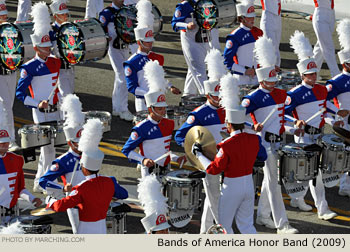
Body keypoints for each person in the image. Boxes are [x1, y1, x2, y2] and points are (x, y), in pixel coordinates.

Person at [192, 73, 267, 234]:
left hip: (232, 186)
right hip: (249, 185)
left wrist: (199, 155)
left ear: (228, 124)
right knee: (247, 226)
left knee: (224, 227)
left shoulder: (226, 145)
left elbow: (213, 169)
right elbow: (263, 157)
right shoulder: (254, 139)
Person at [241, 36, 300, 234]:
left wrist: (294, 125)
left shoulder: (281, 94)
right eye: (269, 81)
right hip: (262, 145)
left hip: (277, 142)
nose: (273, 84)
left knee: (270, 181)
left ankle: (263, 215)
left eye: (274, 80)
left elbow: (283, 118)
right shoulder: (252, 98)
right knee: (274, 184)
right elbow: (240, 118)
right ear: (261, 80)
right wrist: (253, 124)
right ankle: (282, 224)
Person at [285, 30, 343, 220]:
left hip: (318, 134)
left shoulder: (320, 89)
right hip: (302, 136)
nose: (313, 76)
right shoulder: (294, 94)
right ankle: (318, 207)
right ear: (302, 75)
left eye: (314, 73)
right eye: (309, 74)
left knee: (313, 171)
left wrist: (335, 118)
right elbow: (283, 115)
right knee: (308, 172)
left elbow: (325, 110)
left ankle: (306, 202)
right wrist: (295, 123)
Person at [174, 49, 226, 234]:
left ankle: (205, 232)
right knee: (214, 198)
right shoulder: (199, 114)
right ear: (209, 95)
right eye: (217, 96)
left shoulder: (227, 109)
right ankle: (221, 230)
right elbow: (180, 136)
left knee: (216, 198)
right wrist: (196, 151)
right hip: (208, 161)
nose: (220, 99)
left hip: (226, 158)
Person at [46, 118, 129, 234]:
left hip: (84, 224)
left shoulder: (80, 189)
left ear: (83, 168)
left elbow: (62, 205)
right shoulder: (109, 181)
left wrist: (50, 202)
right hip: (101, 226)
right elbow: (124, 194)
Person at [16, 2, 62, 192]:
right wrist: (37, 104)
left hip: (56, 110)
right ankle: (46, 182)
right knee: (47, 148)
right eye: (44, 48)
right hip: (41, 112)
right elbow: (20, 94)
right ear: (36, 48)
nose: (48, 50)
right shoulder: (29, 68)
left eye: (48, 47)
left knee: (51, 147)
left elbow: (55, 36)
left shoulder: (56, 62)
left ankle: (39, 180)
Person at [122, 60, 186, 178]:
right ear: (151, 109)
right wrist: (143, 160)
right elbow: (126, 150)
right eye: (160, 108)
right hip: (149, 171)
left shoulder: (169, 124)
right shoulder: (141, 128)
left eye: (164, 108)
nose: (163, 111)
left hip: (166, 169)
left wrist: (176, 158)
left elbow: (164, 152)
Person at [39, 94, 85, 234]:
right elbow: (44, 181)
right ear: (70, 142)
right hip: (75, 204)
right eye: (78, 142)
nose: (82, 144)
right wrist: (63, 188)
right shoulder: (62, 161)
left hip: (93, 201)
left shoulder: (90, 155)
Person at [124, 0, 180, 112]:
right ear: (139, 42)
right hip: (143, 102)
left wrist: (170, 86)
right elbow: (132, 88)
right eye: (147, 42)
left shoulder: (156, 57)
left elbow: (159, 77)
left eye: (151, 41)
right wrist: (149, 93)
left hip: (158, 100)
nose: (150, 44)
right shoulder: (131, 62)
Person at [0, 98, 42, 225]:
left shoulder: (17, 160)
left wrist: (32, 198)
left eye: (6, 142)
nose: (4, 145)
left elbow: (20, 189)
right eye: (1, 143)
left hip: (12, 213)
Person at [171, 0, 220, 95]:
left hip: (205, 39)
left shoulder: (208, 3)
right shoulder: (184, 5)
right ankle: (207, 96)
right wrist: (186, 25)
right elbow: (174, 24)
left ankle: (188, 95)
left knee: (194, 68)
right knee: (199, 70)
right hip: (190, 42)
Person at [326, 18, 350, 197]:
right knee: (346, 153)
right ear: (345, 64)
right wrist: (337, 112)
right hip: (345, 121)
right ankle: (344, 185)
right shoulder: (336, 82)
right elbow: (323, 101)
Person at [99, 0, 134, 121]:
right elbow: (101, 29)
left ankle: (117, 107)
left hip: (124, 46)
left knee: (120, 77)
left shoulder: (127, 10)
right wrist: (106, 37)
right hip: (113, 48)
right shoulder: (107, 13)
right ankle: (123, 109)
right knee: (122, 75)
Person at [223, 0, 263, 86]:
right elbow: (227, 61)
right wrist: (244, 71)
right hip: (241, 79)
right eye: (249, 17)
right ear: (241, 19)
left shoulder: (259, 32)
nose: (252, 20)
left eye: (253, 17)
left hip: (257, 77)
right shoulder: (234, 36)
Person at [0, 1, 20, 152]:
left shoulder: (11, 30)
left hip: (11, 72)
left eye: (5, 15)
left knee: (9, 106)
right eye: (1, 16)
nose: (4, 18)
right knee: (6, 108)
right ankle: (10, 139)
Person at [49, 0, 75, 97]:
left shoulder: (71, 28)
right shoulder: (50, 30)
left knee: (71, 92)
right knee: (65, 95)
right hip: (59, 67)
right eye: (62, 14)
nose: (66, 16)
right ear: (55, 16)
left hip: (70, 66)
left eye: (66, 14)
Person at [312, 0, 340, 78]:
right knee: (328, 47)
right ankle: (336, 75)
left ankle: (312, 72)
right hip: (320, 15)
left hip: (331, 14)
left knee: (320, 48)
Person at [259, 0, 282, 67]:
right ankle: (269, 72)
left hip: (277, 17)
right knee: (270, 49)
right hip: (268, 16)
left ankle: (276, 71)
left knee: (276, 48)